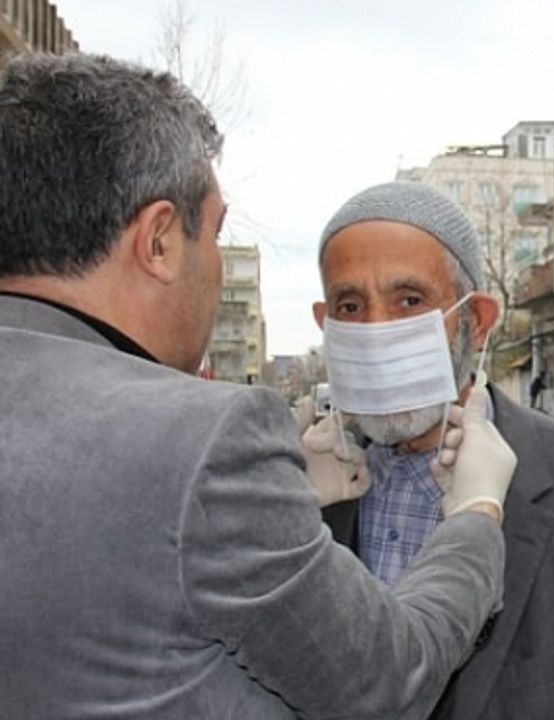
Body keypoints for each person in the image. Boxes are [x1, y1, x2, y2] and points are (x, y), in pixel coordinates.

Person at [0, 53, 515, 719]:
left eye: (409, 301)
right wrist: (475, 517)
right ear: (158, 241)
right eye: (216, 232)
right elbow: (389, 679)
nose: (216, 266)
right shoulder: (208, 438)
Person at [312, 181, 554, 719]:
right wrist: (290, 510)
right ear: (325, 324)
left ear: (477, 320)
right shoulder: (294, 499)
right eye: (350, 306)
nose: (376, 330)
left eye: (410, 301)